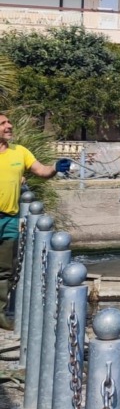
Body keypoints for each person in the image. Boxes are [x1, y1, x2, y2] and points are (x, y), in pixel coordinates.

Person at [0, 114, 61, 329]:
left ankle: (0, 314)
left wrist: (55, 167)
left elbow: (42, 171)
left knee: (5, 268)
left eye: (8, 122)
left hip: (9, 218)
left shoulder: (20, 152)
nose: (9, 126)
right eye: (3, 124)